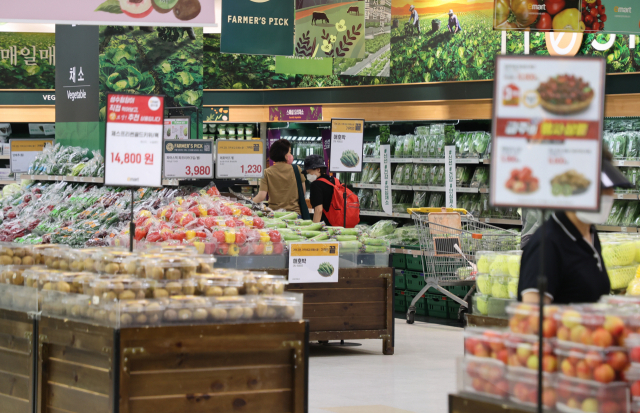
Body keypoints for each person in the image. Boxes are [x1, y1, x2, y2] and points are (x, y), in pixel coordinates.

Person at [518, 150, 633, 305]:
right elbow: (531, 320)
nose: (609, 194)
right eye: (601, 189)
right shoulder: (546, 245)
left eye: (609, 188)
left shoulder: (589, 233)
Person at [253, 139, 306, 215]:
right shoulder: (297, 169)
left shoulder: (267, 172)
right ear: (285, 155)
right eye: (290, 152)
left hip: (275, 214)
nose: (291, 155)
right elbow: (303, 191)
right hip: (294, 214)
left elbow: (261, 196)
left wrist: (248, 202)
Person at [304, 155, 334, 225]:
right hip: (338, 223)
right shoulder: (334, 180)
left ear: (318, 169)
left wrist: (313, 229)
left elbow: (319, 210)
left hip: (325, 225)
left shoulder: (316, 185)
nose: (307, 175)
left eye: (309, 172)